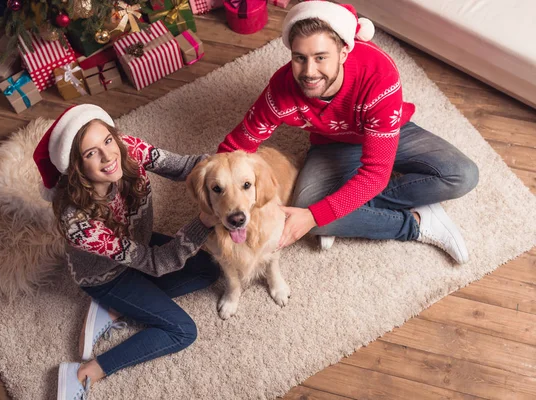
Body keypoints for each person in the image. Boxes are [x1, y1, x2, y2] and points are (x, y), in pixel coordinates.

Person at [217, 2, 478, 263]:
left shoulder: (379, 75)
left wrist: (320, 214)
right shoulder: (281, 90)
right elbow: (236, 146)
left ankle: (377, 218)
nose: (309, 72)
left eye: (321, 57)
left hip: (387, 131)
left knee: (462, 175)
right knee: (309, 215)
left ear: (343, 52)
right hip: (331, 144)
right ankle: (415, 221)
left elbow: (376, 174)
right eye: (300, 58)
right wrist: (213, 194)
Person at [33, 104, 220, 399]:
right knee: (182, 331)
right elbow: (157, 263)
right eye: (90, 153)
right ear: (76, 168)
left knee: (210, 267)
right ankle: (87, 371)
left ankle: (119, 308)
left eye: (107, 140)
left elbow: (185, 167)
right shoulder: (78, 223)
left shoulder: (126, 149)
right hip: (106, 276)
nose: (108, 156)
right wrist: (204, 222)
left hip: (139, 245)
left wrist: (228, 167)